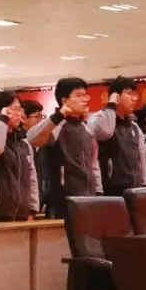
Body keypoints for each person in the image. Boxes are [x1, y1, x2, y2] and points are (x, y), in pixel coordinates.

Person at [26, 78, 101, 219]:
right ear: (64, 100)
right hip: (62, 200)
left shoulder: (86, 128)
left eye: (85, 95)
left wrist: (98, 192)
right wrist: (59, 115)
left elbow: (93, 164)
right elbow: (31, 138)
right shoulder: (56, 125)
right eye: (79, 95)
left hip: (88, 198)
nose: (85, 99)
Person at [0, 91, 38, 221]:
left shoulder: (23, 143)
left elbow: (31, 177)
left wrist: (32, 208)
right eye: (14, 109)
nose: (19, 113)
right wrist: (3, 121)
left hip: (22, 213)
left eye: (20, 109)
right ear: (0, 112)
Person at [88, 76, 146, 197]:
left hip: (134, 190)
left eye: (135, 94)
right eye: (129, 94)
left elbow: (141, 160)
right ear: (116, 96)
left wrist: (144, 185)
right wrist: (111, 105)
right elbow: (104, 132)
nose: (135, 98)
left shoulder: (134, 127)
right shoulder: (99, 118)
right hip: (109, 191)